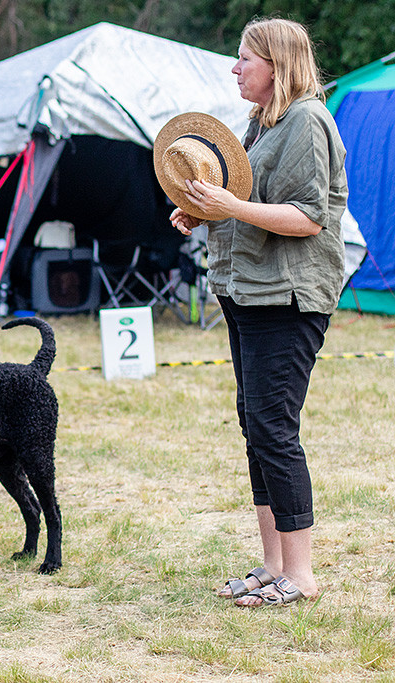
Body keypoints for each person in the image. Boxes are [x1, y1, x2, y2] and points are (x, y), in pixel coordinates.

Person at [166, 18, 347, 607]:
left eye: (246, 58)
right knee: (256, 427)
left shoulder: (307, 120)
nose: (236, 67)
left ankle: (302, 575)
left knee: (274, 429)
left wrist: (231, 205)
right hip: (247, 292)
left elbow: (308, 218)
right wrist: (206, 211)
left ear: (278, 64)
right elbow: (247, 200)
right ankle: (273, 566)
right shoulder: (260, 123)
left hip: (288, 297)